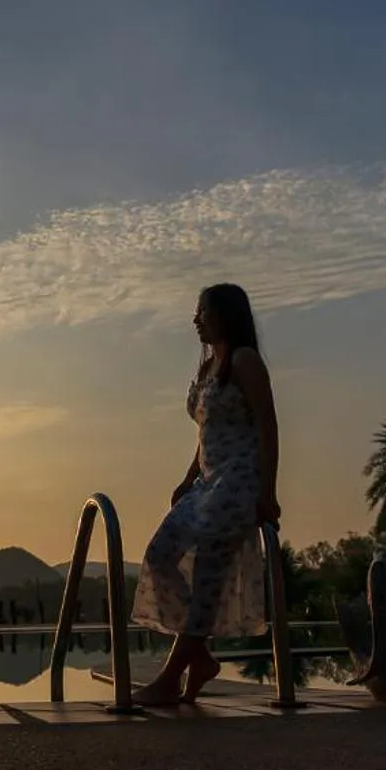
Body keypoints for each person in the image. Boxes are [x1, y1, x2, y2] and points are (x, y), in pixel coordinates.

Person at [130, 283, 281, 707]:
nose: (196, 320)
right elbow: (208, 434)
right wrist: (188, 478)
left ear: (225, 315)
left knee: (207, 579)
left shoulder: (244, 361)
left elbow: (267, 426)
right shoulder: (208, 367)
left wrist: (267, 492)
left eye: (203, 312)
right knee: (159, 556)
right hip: (206, 483)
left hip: (238, 483)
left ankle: (171, 677)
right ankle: (199, 657)